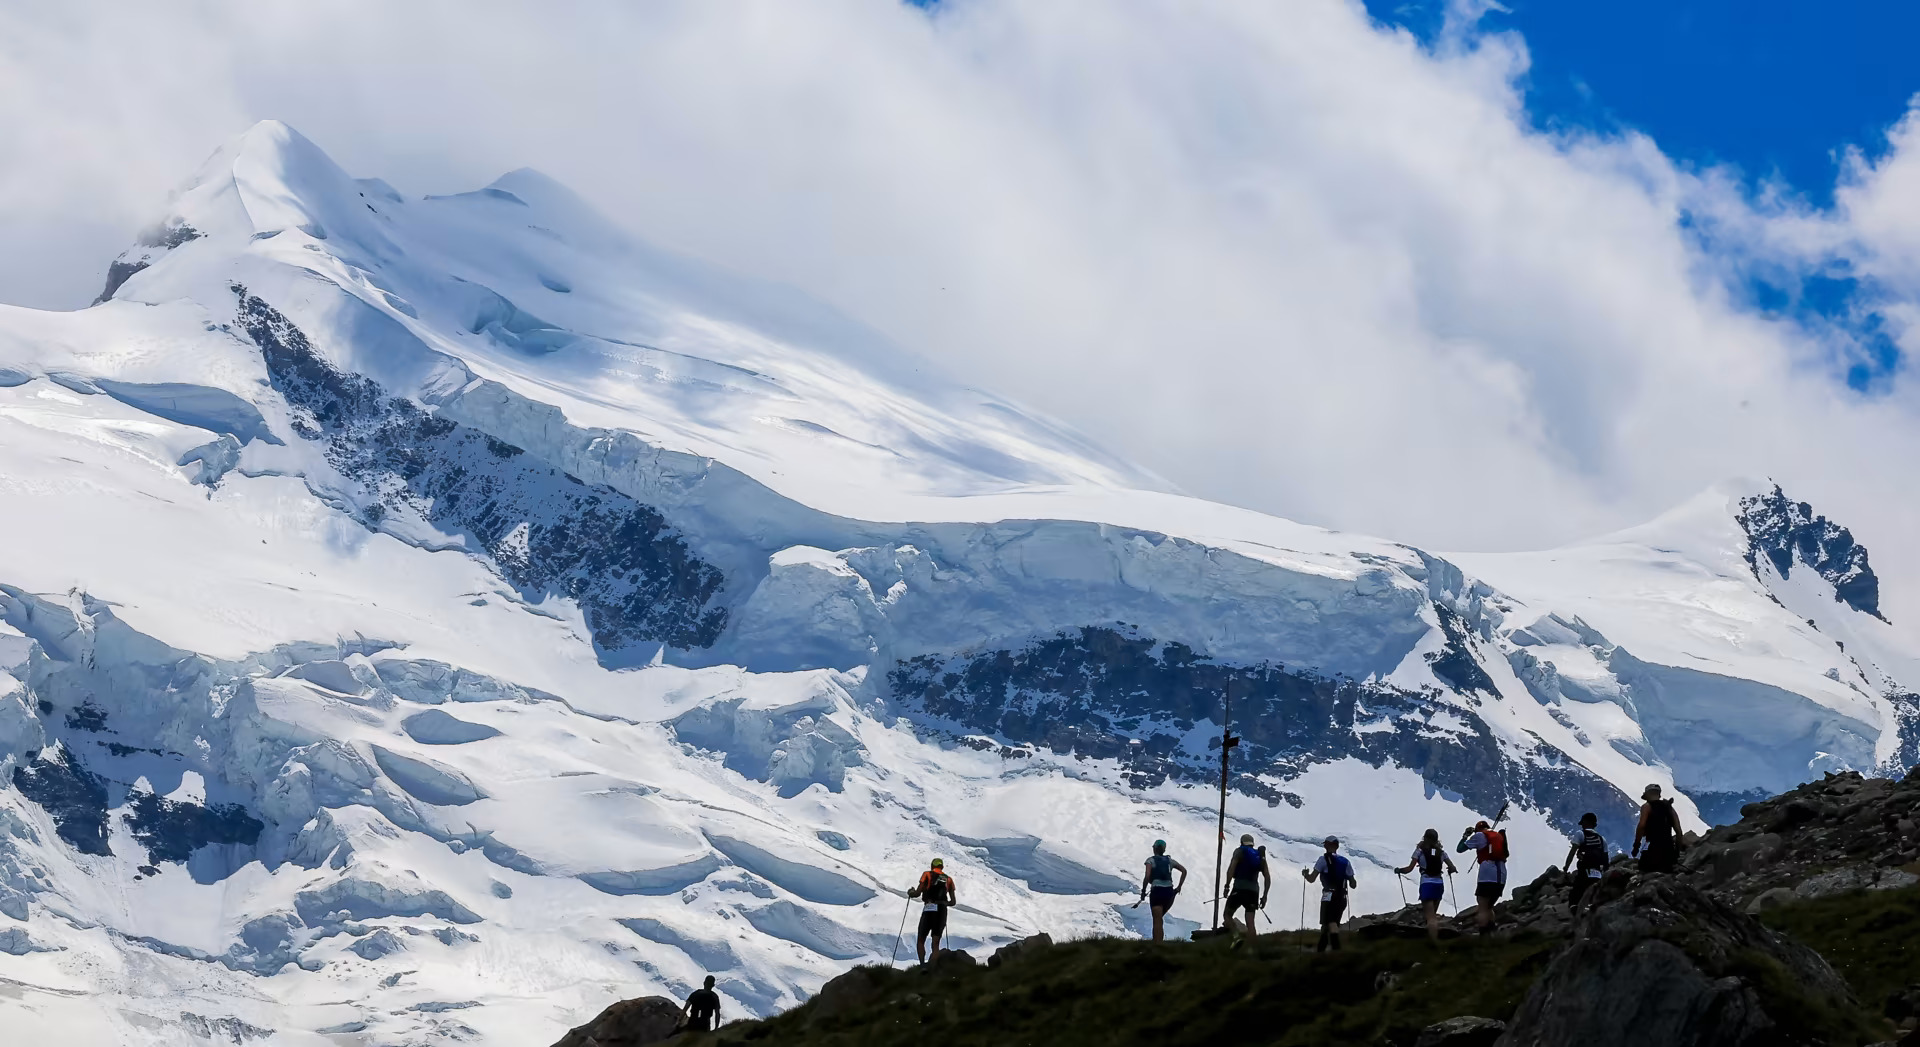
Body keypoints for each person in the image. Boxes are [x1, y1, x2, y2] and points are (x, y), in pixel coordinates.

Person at [1394, 828, 1456, 942]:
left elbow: (1409, 868)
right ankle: (1433, 938)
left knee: (1430, 917)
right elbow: (1452, 867)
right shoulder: (1442, 853)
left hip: (1426, 884)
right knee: (1433, 914)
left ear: (1425, 838)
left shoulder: (1419, 852)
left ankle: (1433, 942)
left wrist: (1399, 870)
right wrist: (1450, 870)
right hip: (1439, 884)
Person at [1302, 835, 1358, 952]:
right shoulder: (1345, 861)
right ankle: (1323, 951)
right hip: (1342, 896)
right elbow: (1353, 884)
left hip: (1328, 895)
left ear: (1329, 845)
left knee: (1328, 923)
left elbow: (1312, 879)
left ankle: (1334, 951)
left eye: (1326, 844)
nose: (1325, 846)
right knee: (1333, 923)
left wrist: (1305, 874)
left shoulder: (1323, 860)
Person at [1456, 819, 1509, 935]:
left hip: (1487, 875)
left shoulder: (1479, 836)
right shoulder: (1498, 836)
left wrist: (1466, 835)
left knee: (1483, 906)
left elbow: (1459, 849)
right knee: (1490, 906)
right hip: (1501, 876)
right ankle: (1493, 932)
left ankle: (1484, 935)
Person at [1221, 833, 1269, 942]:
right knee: (1250, 923)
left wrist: (1227, 886)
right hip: (1253, 892)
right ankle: (1253, 948)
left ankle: (1237, 938)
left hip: (1239, 888)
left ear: (1241, 842)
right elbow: (1267, 877)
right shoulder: (1259, 856)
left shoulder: (1240, 851)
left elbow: (1231, 869)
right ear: (1252, 844)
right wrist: (1265, 896)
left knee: (1227, 915)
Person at [907, 857, 956, 964]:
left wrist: (911, 892)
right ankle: (932, 967)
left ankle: (922, 966)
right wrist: (943, 903)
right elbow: (953, 902)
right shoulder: (949, 879)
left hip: (929, 908)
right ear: (942, 867)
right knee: (936, 943)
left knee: (921, 939)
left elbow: (917, 893)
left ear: (932, 866)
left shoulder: (927, 875)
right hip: (942, 911)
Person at [1138, 839, 1188, 942]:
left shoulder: (1150, 860)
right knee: (1160, 919)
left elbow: (1147, 876)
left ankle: (1157, 945)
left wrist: (1143, 891)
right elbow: (1184, 871)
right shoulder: (1170, 861)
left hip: (1157, 892)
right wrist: (1179, 887)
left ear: (1154, 848)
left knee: (1157, 921)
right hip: (1169, 892)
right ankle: (1159, 944)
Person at [1562, 812, 1609, 913]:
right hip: (1598, 873)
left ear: (1585, 822)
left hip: (1585, 869)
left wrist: (1566, 868)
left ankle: (1575, 909)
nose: (1582, 825)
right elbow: (1606, 860)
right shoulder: (1602, 839)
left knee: (1577, 893)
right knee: (1592, 893)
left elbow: (1572, 852)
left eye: (1582, 823)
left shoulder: (1581, 834)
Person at [1633, 784, 1684, 874]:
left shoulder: (1647, 807)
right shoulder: (1669, 808)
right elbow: (1679, 832)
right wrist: (1676, 853)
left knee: (1643, 870)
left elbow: (1641, 827)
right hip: (1668, 849)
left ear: (1647, 795)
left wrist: (1636, 845)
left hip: (1652, 849)